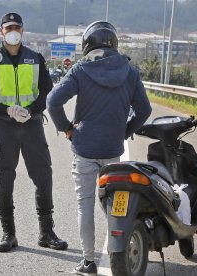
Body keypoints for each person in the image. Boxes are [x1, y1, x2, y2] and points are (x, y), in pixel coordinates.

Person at [46, 21, 152, 275]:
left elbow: (53, 101)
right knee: (117, 205)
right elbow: (145, 110)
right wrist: (125, 131)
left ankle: (88, 262)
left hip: (83, 149)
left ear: (87, 44)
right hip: (113, 151)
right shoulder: (129, 71)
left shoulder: (81, 70)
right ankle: (119, 253)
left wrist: (67, 128)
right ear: (114, 43)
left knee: (85, 206)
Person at [0, 12, 68, 253]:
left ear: (22, 30)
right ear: (1, 31)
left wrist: (28, 110)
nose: (13, 31)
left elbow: (47, 92)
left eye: (17, 27)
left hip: (32, 125)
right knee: (5, 180)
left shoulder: (36, 58)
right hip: (5, 128)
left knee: (43, 178)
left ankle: (46, 233)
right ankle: (9, 234)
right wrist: (7, 110)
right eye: (8, 28)